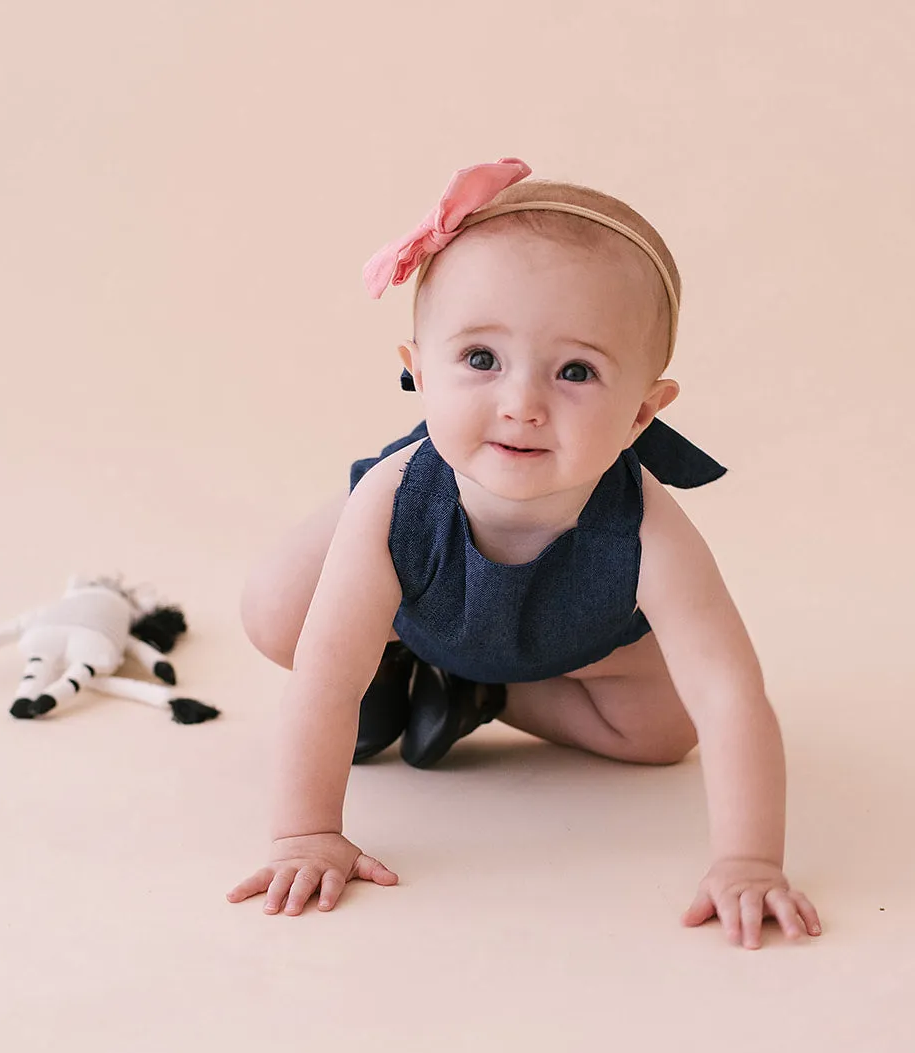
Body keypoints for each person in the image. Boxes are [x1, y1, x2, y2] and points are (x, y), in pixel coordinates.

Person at [227, 158, 823, 950]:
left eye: (576, 371)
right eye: (480, 360)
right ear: (417, 372)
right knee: (280, 618)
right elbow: (328, 677)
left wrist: (750, 861)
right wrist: (305, 835)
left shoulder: (648, 528)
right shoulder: (395, 499)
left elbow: (727, 691)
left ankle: (473, 696)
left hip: (557, 644)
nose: (522, 404)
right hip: (406, 613)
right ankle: (403, 665)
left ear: (644, 411)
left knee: (662, 731)